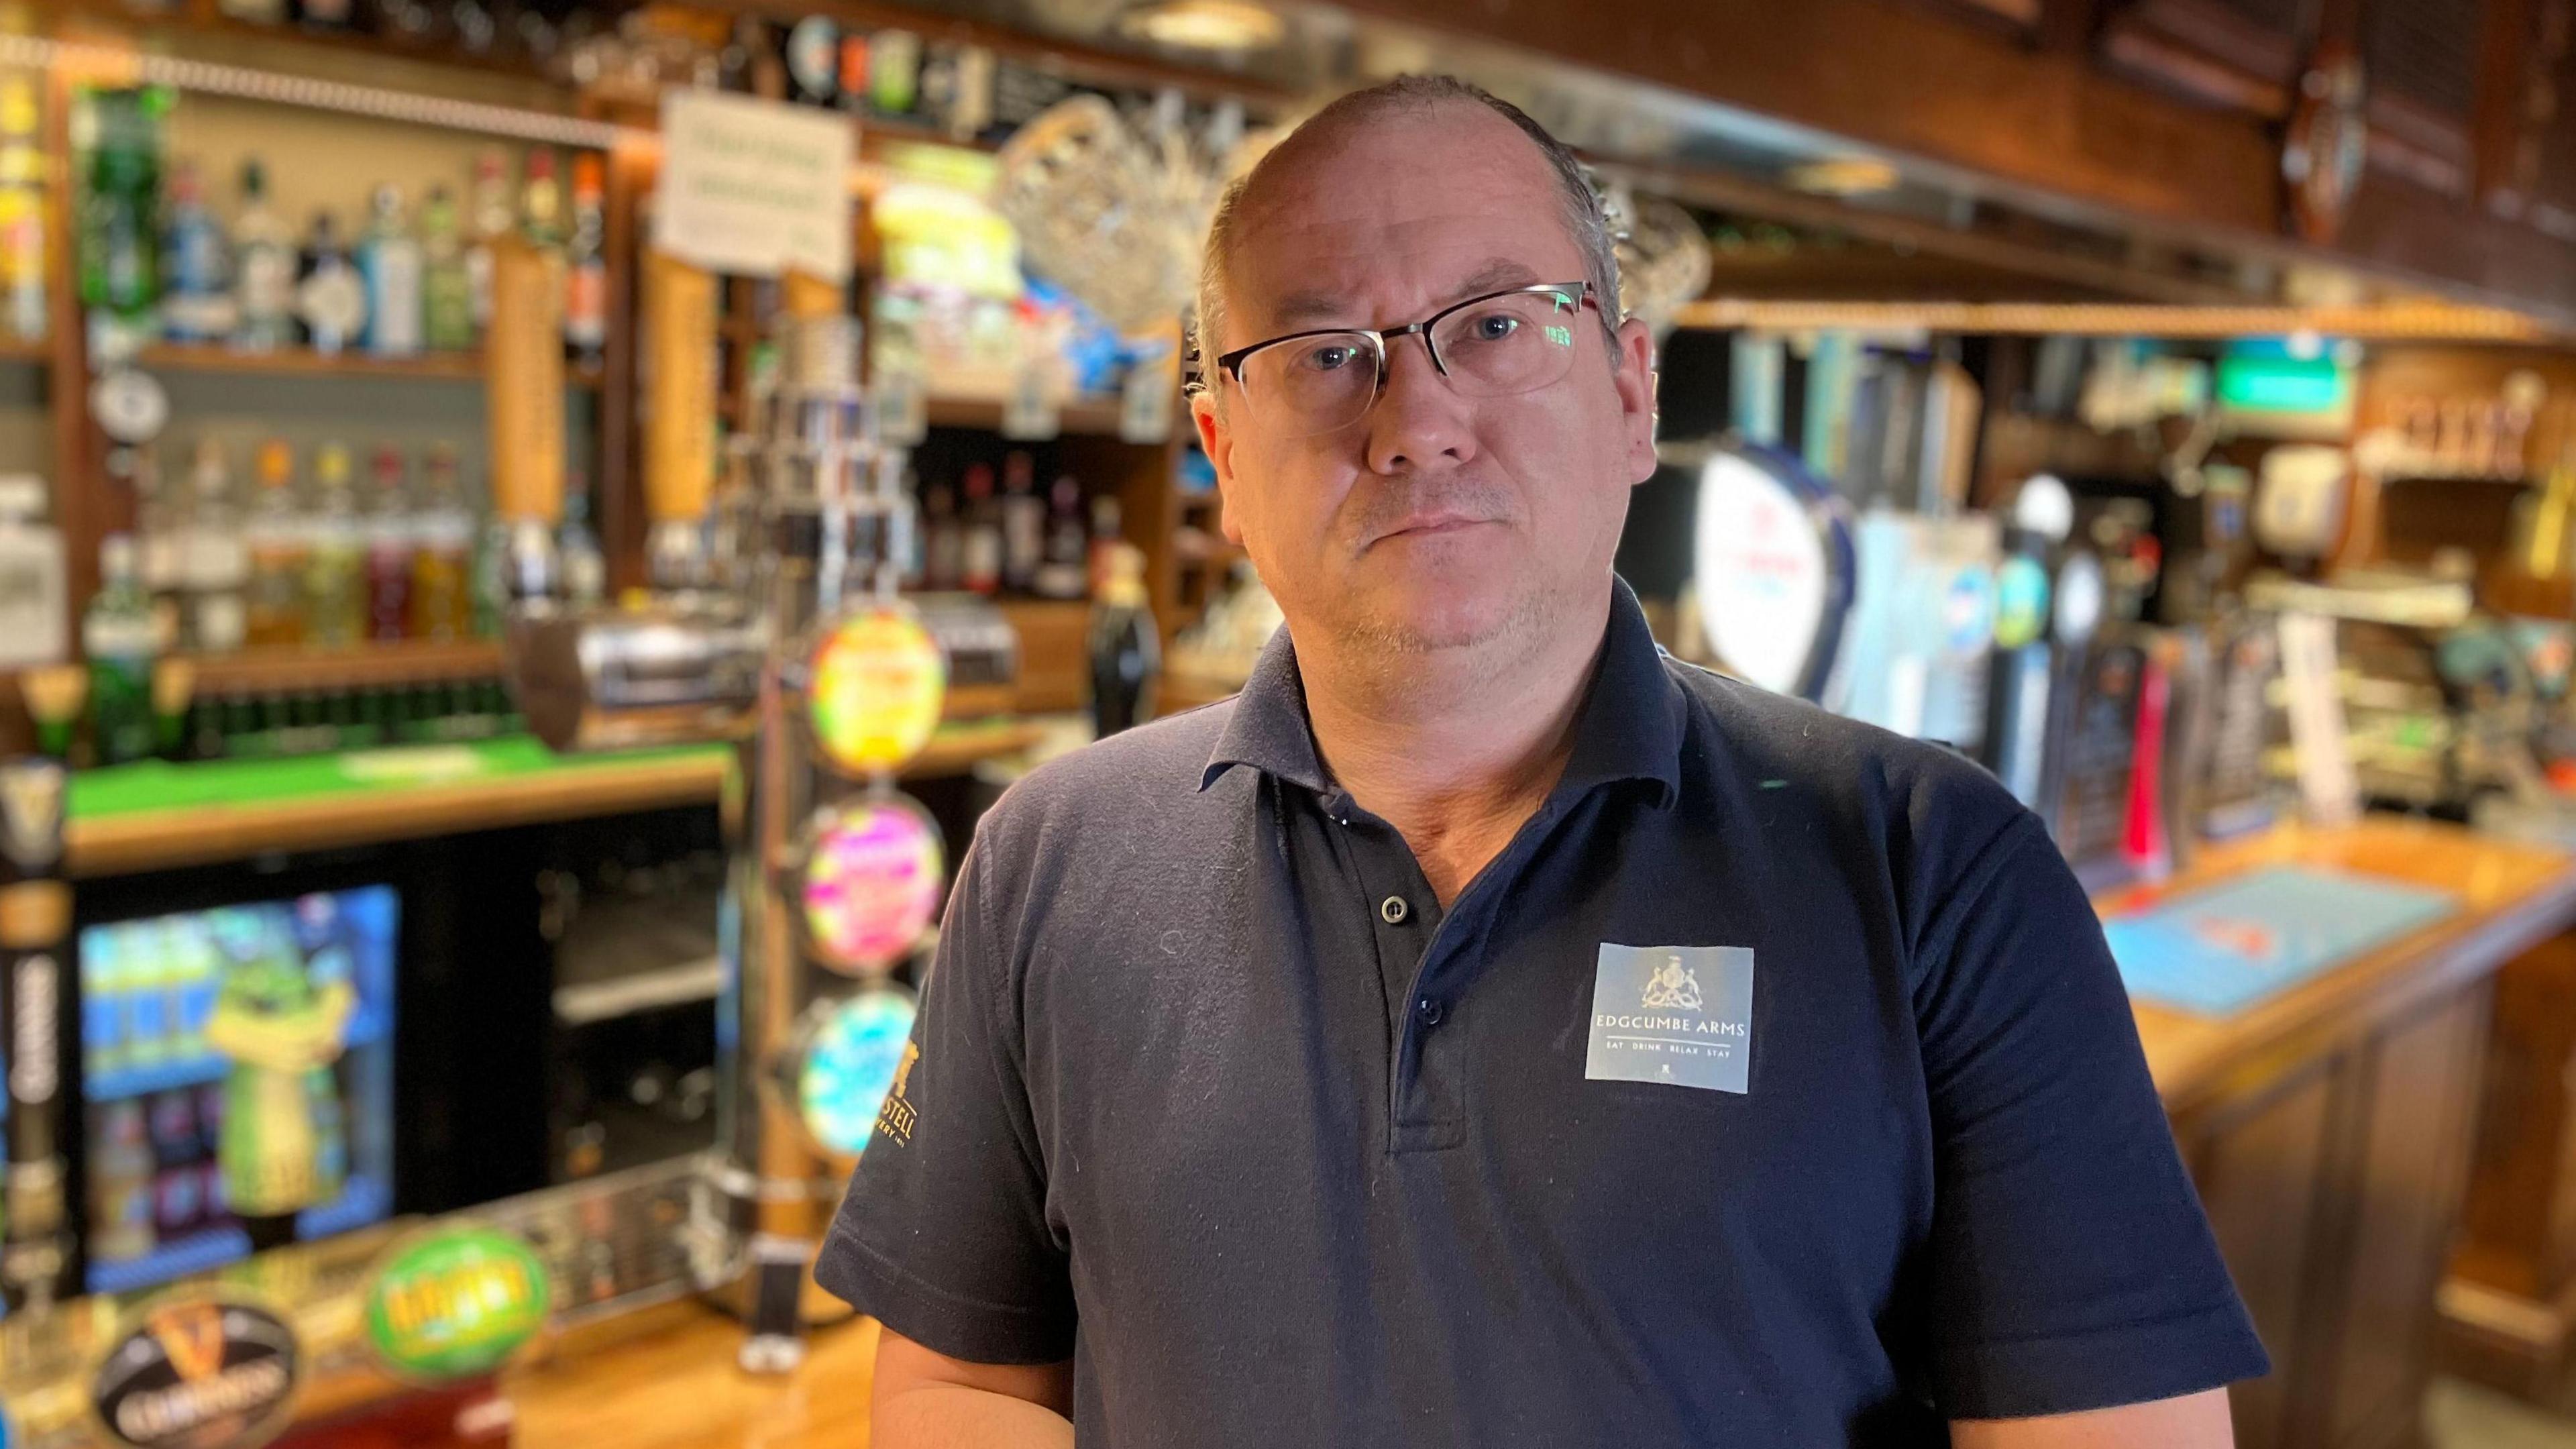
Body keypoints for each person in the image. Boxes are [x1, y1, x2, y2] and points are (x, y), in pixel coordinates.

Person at [820, 75, 2267, 1446]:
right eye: (1326, 356)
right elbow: (960, 1380)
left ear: (1634, 394)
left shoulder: (1935, 869)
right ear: (1222, 456)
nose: (1417, 422)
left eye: (1500, 325)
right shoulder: (1048, 862)